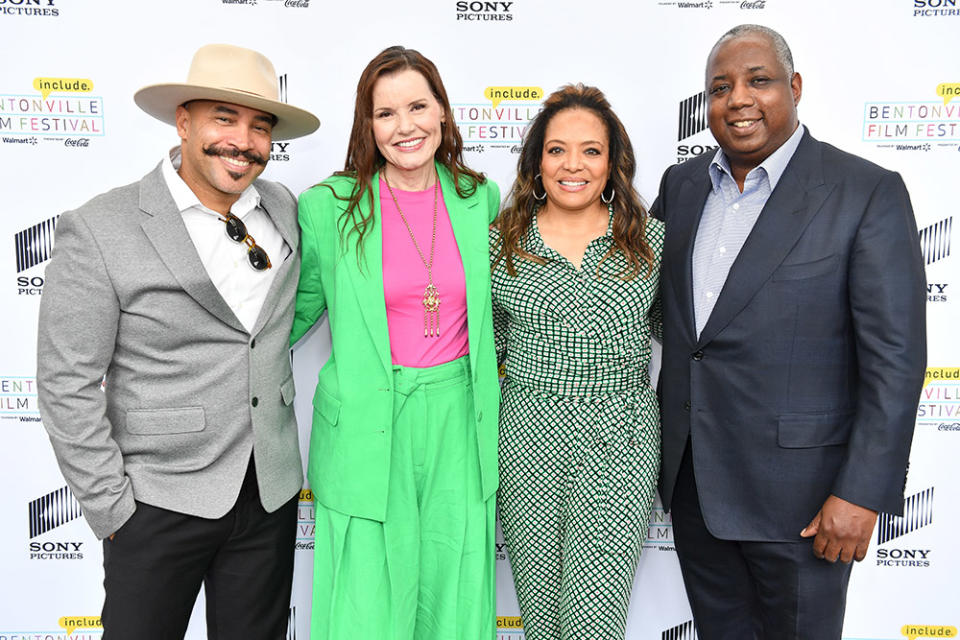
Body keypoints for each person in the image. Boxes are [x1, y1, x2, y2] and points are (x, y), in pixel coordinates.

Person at [36, 44, 319, 638]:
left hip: (267, 497)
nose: (242, 141)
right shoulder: (100, 227)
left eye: (260, 126)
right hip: (155, 503)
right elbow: (67, 382)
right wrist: (112, 510)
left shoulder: (286, 211)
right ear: (183, 121)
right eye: (224, 118)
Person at [652, 24, 927, 639]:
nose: (739, 99)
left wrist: (862, 493)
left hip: (807, 504)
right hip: (697, 490)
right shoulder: (683, 187)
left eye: (759, 81)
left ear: (794, 87)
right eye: (721, 87)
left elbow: (896, 359)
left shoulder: (865, 192)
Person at [290, 46, 501, 640]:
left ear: (442, 113)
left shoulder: (477, 197)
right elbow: (290, 318)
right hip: (362, 422)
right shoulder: (328, 207)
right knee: (365, 600)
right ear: (367, 124)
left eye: (417, 106)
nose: (404, 126)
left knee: (453, 588)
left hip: (459, 418)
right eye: (385, 114)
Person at [491, 84, 663, 640]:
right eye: (557, 149)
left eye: (591, 150)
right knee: (540, 618)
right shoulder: (497, 244)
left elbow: (690, 339)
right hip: (525, 440)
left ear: (613, 164)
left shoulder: (650, 242)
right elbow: (478, 349)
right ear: (536, 162)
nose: (573, 165)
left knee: (594, 620)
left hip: (621, 439)